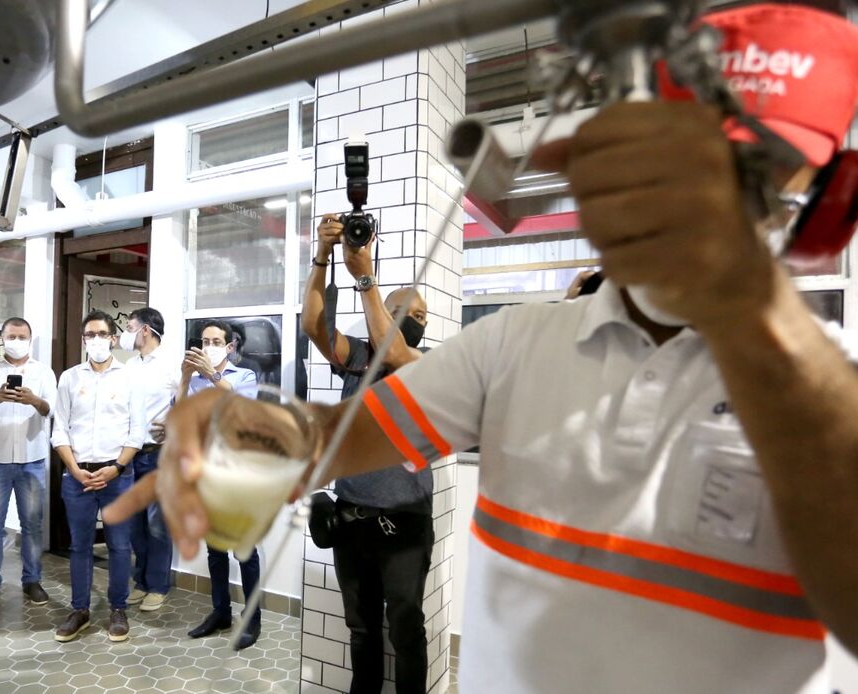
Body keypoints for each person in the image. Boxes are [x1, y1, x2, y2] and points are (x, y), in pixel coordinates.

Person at [106, 5, 858, 692]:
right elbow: (334, 437)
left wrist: (752, 312)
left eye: (755, 175)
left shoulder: (829, 387)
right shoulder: (515, 344)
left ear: (830, 203)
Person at [301, 219, 433, 693]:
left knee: (406, 629)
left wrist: (365, 277)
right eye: (405, 311)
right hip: (352, 523)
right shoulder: (359, 358)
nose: (415, 319)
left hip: (404, 525)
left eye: (420, 316)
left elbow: (395, 352)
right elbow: (314, 326)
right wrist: (322, 256)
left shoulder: (426, 366)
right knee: (361, 630)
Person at [50, 310, 136, 643]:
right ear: (83, 339)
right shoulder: (70, 378)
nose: (96, 340)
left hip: (117, 475)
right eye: (90, 335)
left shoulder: (129, 377)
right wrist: (74, 469)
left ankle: (118, 609)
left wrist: (115, 468)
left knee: (118, 546)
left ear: (113, 338)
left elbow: (136, 431)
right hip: (77, 476)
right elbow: (60, 430)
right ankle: (80, 610)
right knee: (80, 547)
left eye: (102, 334)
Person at [179, 320, 263, 650]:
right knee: (215, 550)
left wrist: (213, 376)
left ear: (229, 347)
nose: (208, 346)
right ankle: (220, 612)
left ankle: (252, 619)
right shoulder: (195, 379)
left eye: (216, 341)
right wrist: (186, 376)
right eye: (204, 341)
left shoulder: (244, 377)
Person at [0, 317, 56, 611]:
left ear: (30, 340)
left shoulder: (43, 372)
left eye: (22, 336)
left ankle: (32, 580)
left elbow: (50, 410)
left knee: (32, 525)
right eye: (11, 336)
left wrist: (34, 400)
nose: (16, 341)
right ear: (2, 338)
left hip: (32, 459)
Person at [120, 308, 179, 613]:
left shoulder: (171, 365)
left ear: (144, 330)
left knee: (158, 524)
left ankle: (157, 585)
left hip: (159, 456)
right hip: (129, 455)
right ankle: (140, 581)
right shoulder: (128, 366)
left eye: (129, 327)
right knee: (135, 525)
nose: (125, 333)